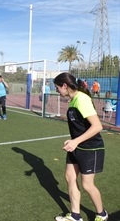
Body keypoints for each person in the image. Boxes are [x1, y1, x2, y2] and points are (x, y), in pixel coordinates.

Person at [53, 73, 108, 221]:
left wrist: (75, 141)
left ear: (65, 86)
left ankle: (102, 214)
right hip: (76, 146)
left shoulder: (81, 99)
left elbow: (97, 126)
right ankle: (75, 215)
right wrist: (73, 141)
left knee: (87, 185)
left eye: (57, 87)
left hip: (90, 148)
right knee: (70, 177)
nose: (57, 91)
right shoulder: (73, 100)